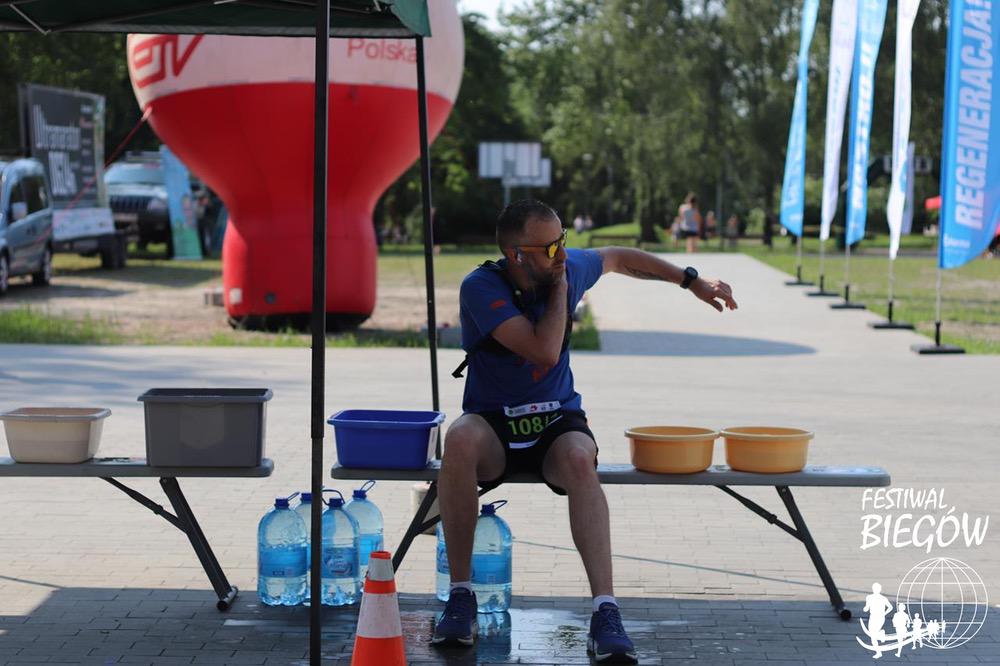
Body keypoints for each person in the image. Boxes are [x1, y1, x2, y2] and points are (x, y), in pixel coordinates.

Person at [432, 199, 738, 663]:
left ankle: (605, 611)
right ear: (516, 255)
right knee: (458, 439)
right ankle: (460, 597)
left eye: (563, 241)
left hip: (557, 420)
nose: (562, 254)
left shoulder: (561, 265)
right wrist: (561, 288)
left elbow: (617, 257)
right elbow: (544, 351)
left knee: (579, 458)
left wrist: (690, 280)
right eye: (550, 247)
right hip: (494, 424)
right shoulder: (481, 287)